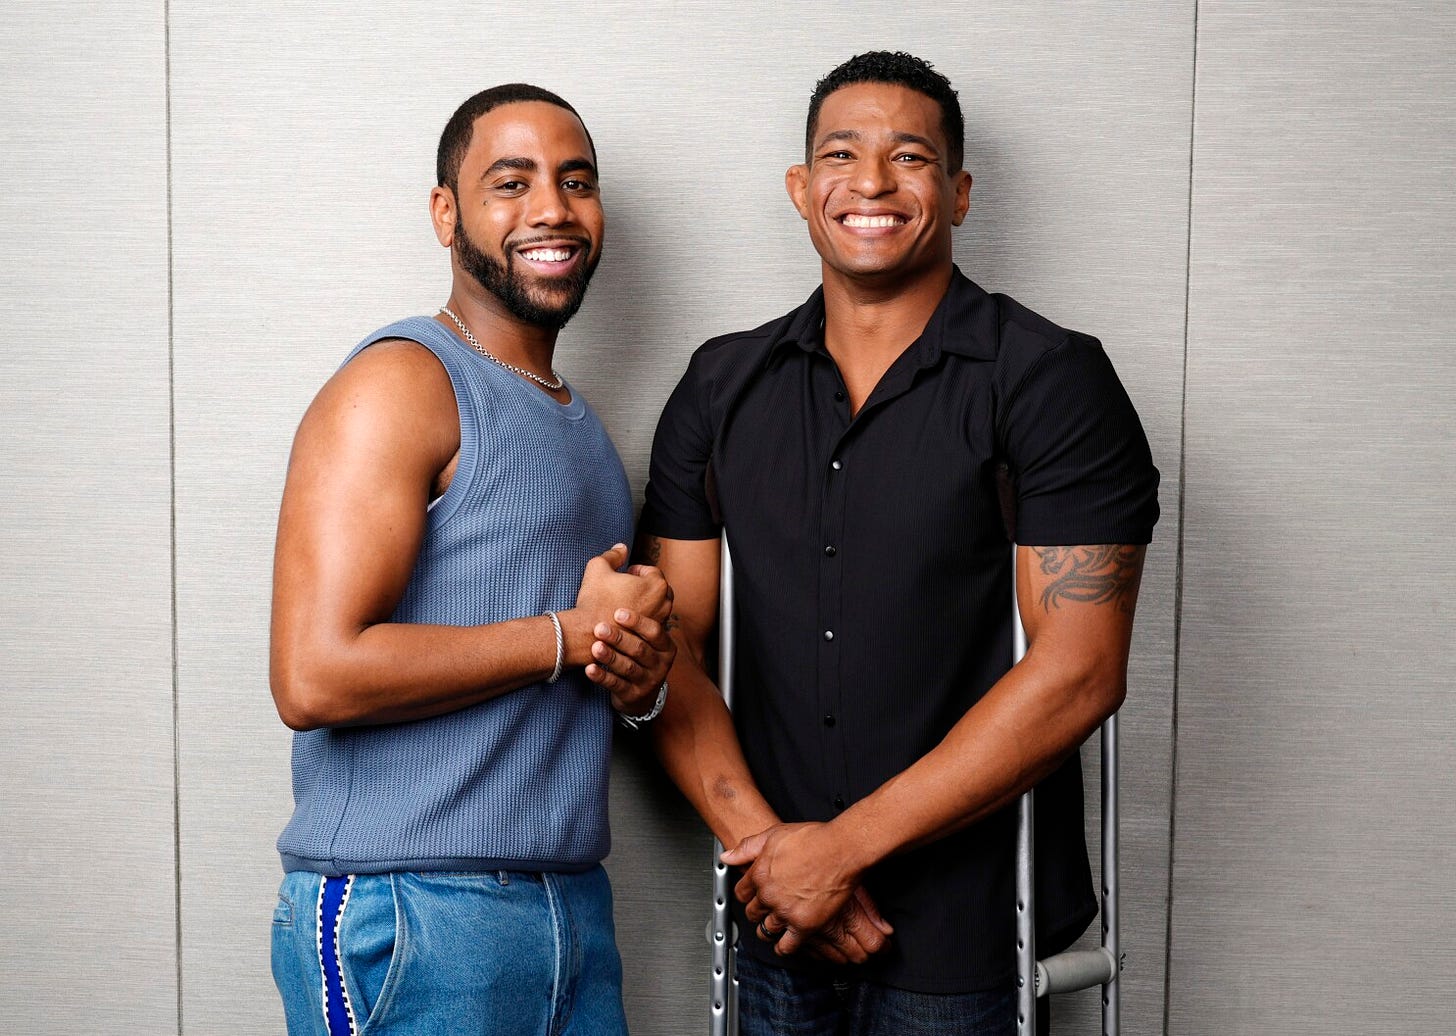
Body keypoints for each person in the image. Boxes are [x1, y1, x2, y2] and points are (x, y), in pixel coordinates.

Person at [637, 51, 1159, 1035]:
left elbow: (1081, 671)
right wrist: (777, 859)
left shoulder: (1048, 379)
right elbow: (672, 648)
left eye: (908, 157)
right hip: (775, 921)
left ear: (958, 194)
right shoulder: (719, 386)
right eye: (841, 154)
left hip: (968, 931)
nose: (870, 183)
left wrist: (836, 855)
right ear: (800, 190)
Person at [267, 84, 675, 1036]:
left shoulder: (578, 423)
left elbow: (579, 670)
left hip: (567, 908)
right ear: (446, 212)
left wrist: (635, 670)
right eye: (511, 181)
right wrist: (564, 637)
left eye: (577, 181)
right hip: (408, 911)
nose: (552, 209)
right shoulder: (402, 382)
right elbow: (311, 675)